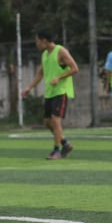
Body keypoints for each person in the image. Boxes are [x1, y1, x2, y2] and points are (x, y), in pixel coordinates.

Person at [21, 29, 79, 160]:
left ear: (44, 41)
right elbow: (40, 73)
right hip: (50, 93)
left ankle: (56, 151)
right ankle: (65, 144)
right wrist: (29, 88)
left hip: (61, 91)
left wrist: (59, 77)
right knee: (47, 122)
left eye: (37, 41)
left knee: (55, 121)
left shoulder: (61, 51)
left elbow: (75, 68)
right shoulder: (45, 55)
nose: (36, 44)